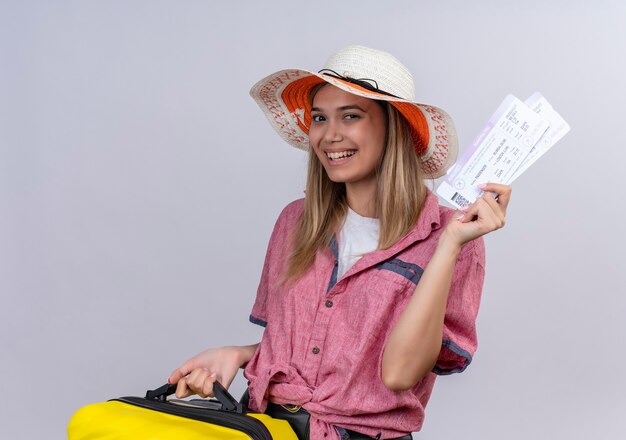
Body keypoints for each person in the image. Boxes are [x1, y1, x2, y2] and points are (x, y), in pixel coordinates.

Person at [168, 45, 511, 440]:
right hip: (268, 427)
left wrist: (449, 244)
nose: (329, 136)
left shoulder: (452, 237)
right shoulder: (295, 222)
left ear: (395, 127)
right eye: (319, 118)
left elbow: (399, 374)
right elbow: (312, 345)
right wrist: (241, 354)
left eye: (350, 116)